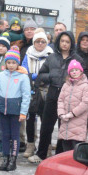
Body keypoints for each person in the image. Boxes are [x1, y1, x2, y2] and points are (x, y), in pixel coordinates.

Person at [34, 30, 76, 162]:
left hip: (68, 96)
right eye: (62, 41)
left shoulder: (76, 59)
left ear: (71, 43)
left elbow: (82, 76)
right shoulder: (52, 58)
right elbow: (41, 75)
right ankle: (41, 153)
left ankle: (59, 155)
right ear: (58, 42)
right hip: (52, 94)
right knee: (46, 126)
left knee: (64, 127)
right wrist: (51, 76)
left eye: (67, 42)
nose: (64, 44)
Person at [0, 49, 30, 171]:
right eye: (8, 62)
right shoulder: (1, 75)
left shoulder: (23, 77)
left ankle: (13, 159)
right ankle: (5, 157)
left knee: (15, 135)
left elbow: (26, 95)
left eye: (14, 63)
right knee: (4, 134)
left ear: (17, 63)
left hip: (16, 111)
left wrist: (23, 112)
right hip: (3, 110)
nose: (11, 65)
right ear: (6, 63)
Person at [23, 29, 52, 159]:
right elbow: (24, 71)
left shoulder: (51, 55)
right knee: (30, 119)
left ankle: (47, 146)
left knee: (46, 120)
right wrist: (38, 76)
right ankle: (30, 144)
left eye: (43, 41)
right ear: (34, 42)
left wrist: (36, 76)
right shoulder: (28, 54)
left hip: (46, 91)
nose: (40, 44)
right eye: (37, 41)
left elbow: (52, 74)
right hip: (31, 90)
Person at [57, 60, 88, 153]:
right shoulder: (65, 85)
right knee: (65, 149)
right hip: (65, 122)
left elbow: (86, 103)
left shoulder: (85, 86)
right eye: (72, 71)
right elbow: (60, 100)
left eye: (76, 70)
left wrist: (72, 114)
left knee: (76, 149)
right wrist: (61, 114)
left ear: (81, 71)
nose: (74, 72)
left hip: (78, 122)